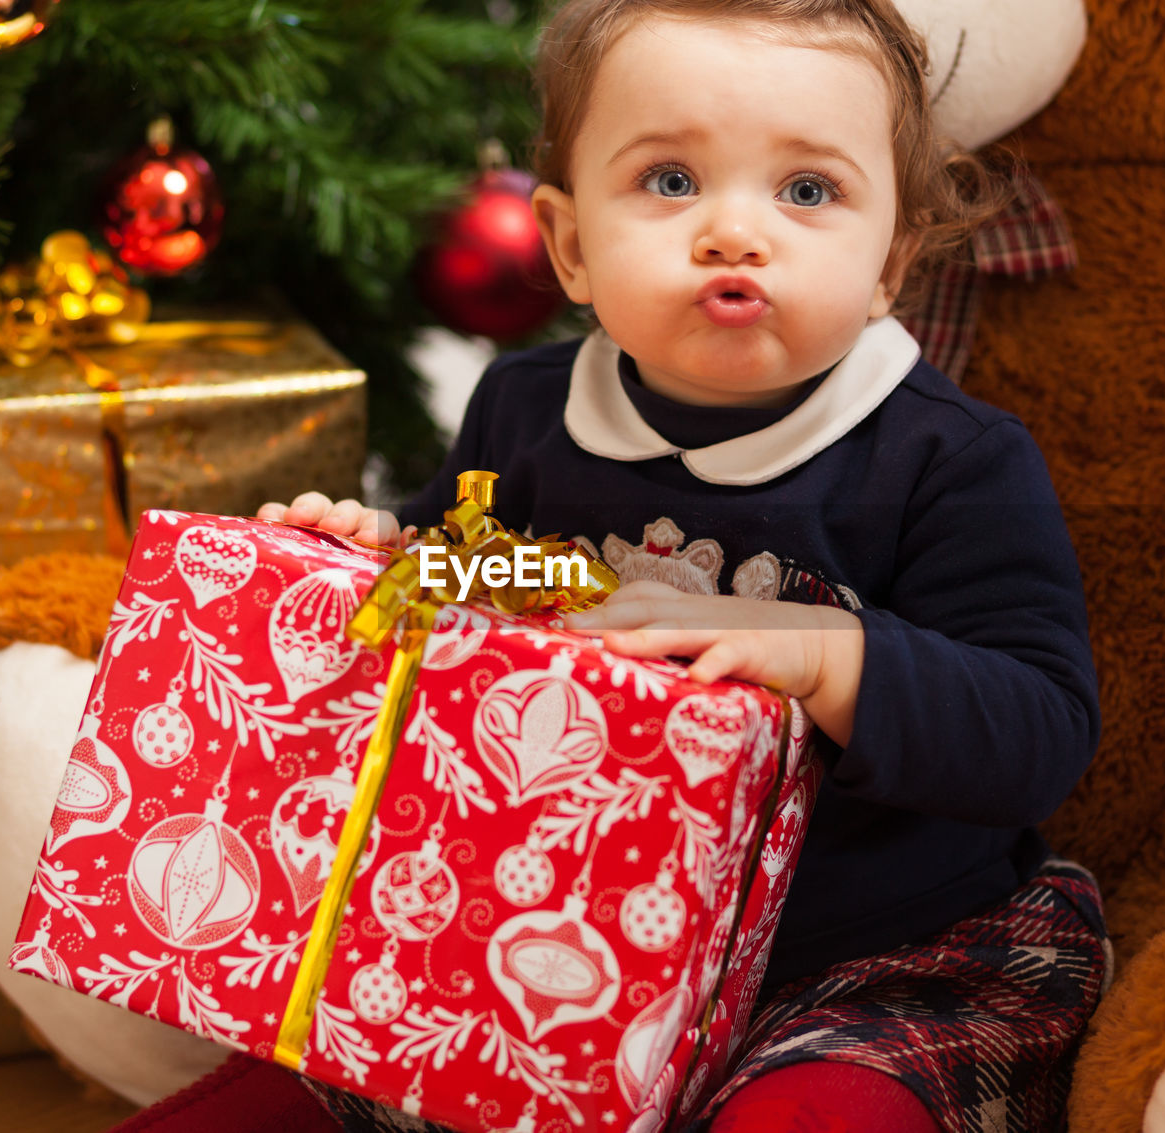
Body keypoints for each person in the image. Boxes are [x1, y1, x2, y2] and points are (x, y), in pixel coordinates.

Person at [259, 1, 1110, 1129]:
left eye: (806, 192)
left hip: (870, 957)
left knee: (816, 1112)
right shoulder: (524, 412)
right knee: (307, 1069)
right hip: (563, 932)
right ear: (566, 243)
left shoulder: (945, 459)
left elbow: (1038, 732)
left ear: (889, 259)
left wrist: (827, 653)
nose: (732, 234)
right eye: (669, 181)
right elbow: (482, 593)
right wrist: (379, 556)